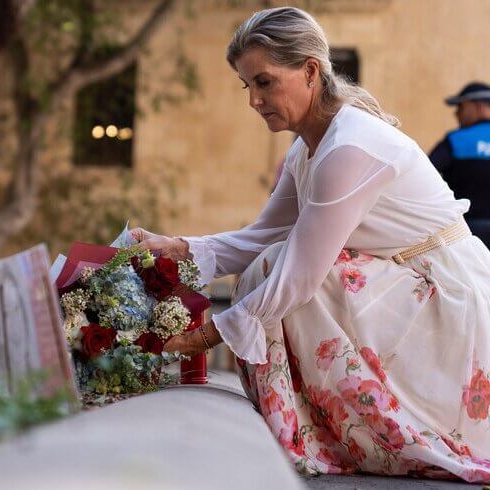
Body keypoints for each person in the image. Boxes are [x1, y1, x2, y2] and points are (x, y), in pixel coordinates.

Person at [131, 7, 490, 484]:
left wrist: (199, 338)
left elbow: (299, 273)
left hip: (449, 299)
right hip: (408, 284)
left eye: (264, 82)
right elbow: (260, 234)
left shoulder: (349, 147)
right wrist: (175, 248)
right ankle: (328, 427)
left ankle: (342, 432)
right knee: (269, 263)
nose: (255, 100)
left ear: (310, 71)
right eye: (247, 86)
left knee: (281, 271)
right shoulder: (309, 145)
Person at [429, 82, 490, 244]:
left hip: (467, 233)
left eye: (461, 107)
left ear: (478, 106)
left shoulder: (456, 140)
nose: (456, 114)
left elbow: (425, 173)